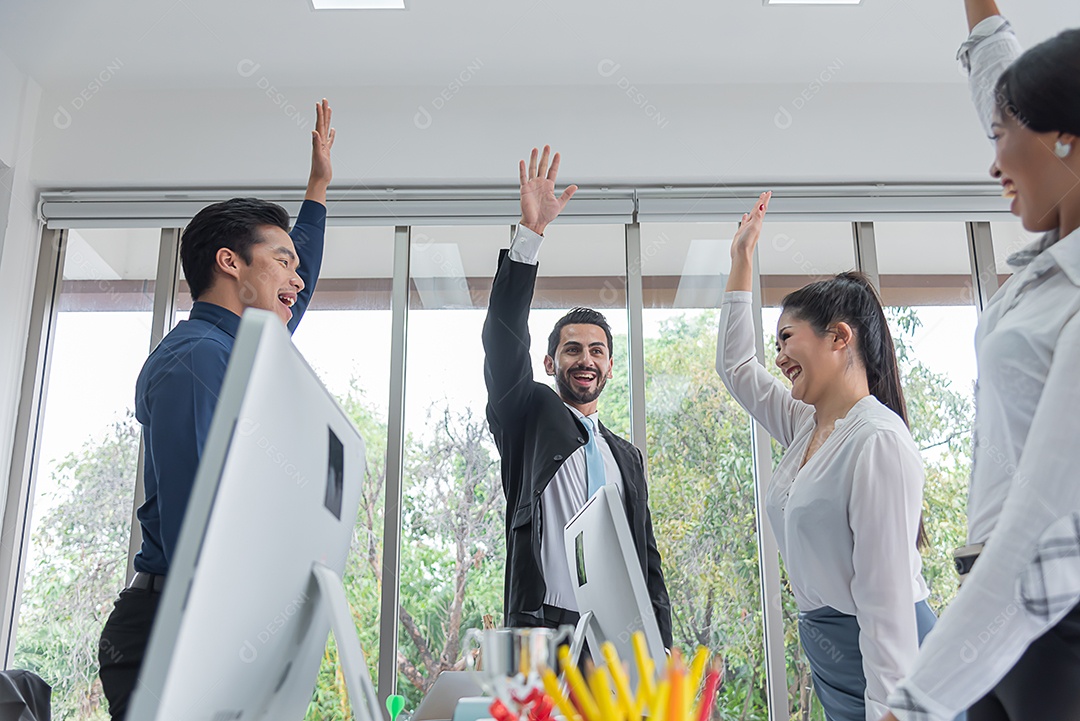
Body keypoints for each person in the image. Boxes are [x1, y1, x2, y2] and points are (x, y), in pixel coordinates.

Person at [97, 100, 336, 720]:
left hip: (202, 625)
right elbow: (197, 528)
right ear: (229, 263)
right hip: (168, 633)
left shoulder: (246, 351)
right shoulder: (199, 360)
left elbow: (289, 285)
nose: (299, 278)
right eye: (284, 261)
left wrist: (317, 190)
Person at [880, 3, 1080, 720]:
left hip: (1055, 620)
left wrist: (914, 700)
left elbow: (1041, 527)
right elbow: (1007, 76)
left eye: (1002, 138)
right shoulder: (1048, 271)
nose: (992, 161)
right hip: (1006, 610)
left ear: (1065, 141)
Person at [717, 192, 942, 721]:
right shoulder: (805, 425)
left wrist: (890, 709)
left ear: (839, 337)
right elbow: (737, 367)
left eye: (787, 339)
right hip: (833, 657)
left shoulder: (876, 441)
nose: (778, 357)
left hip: (887, 662)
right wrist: (741, 261)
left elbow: (886, 607)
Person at [482, 145, 672, 646]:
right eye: (571, 350)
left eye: (596, 351)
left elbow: (646, 557)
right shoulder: (529, 414)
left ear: (610, 366)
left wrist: (663, 647)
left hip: (619, 637)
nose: (585, 359)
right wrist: (531, 236)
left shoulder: (625, 457)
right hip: (546, 628)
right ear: (550, 363)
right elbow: (503, 341)